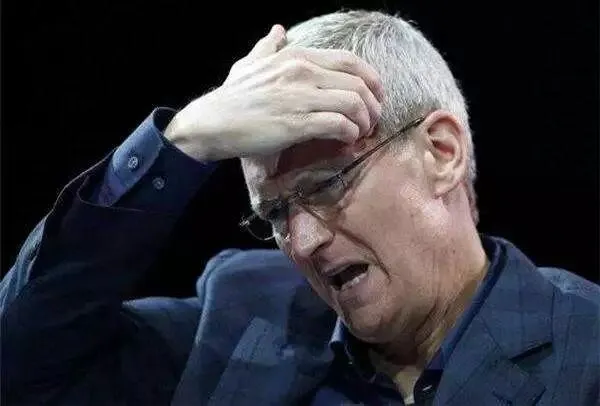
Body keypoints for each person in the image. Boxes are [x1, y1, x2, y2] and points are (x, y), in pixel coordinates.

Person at [1, 9, 598, 406]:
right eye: (276, 214)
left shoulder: (587, 349)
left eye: (328, 184)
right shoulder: (235, 315)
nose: (303, 242)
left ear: (441, 152)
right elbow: (21, 365)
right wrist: (182, 143)